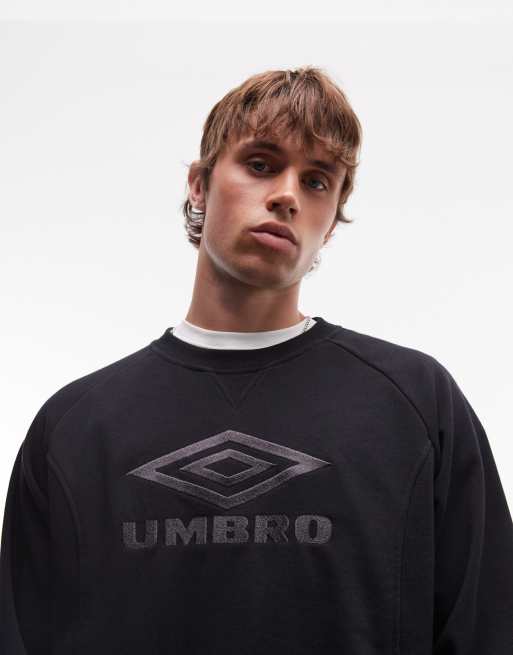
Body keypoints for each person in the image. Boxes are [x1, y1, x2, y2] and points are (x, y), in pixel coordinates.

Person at [1, 66, 512, 654]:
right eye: (262, 164)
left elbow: (487, 629)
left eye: (317, 181)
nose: (287, 196)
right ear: (199, 185)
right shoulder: (75, 428)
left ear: (332, 220)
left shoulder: (416, 405)